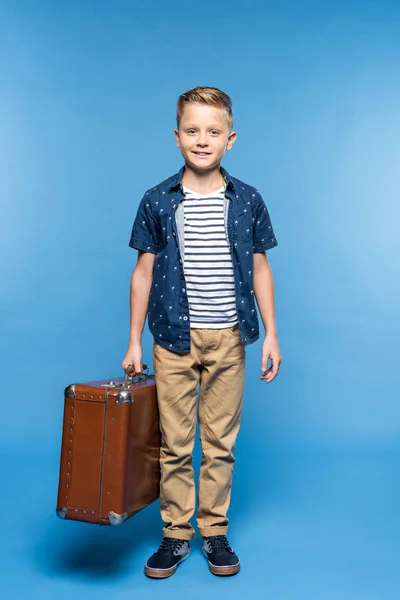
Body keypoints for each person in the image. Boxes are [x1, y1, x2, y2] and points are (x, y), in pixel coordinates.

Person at [122, 86, 282, 578]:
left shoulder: (248, 199)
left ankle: (213, 531)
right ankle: (175, 534)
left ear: (230, 139)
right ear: (176, 138)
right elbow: (144, 273)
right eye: (192, 131)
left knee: (219, 441)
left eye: (213, 132)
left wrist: (272, 335)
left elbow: (259, 269)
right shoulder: (157, 199)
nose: (202, 139)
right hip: (171, 338)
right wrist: (133, 339)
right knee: (174, 440)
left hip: (230, 338)